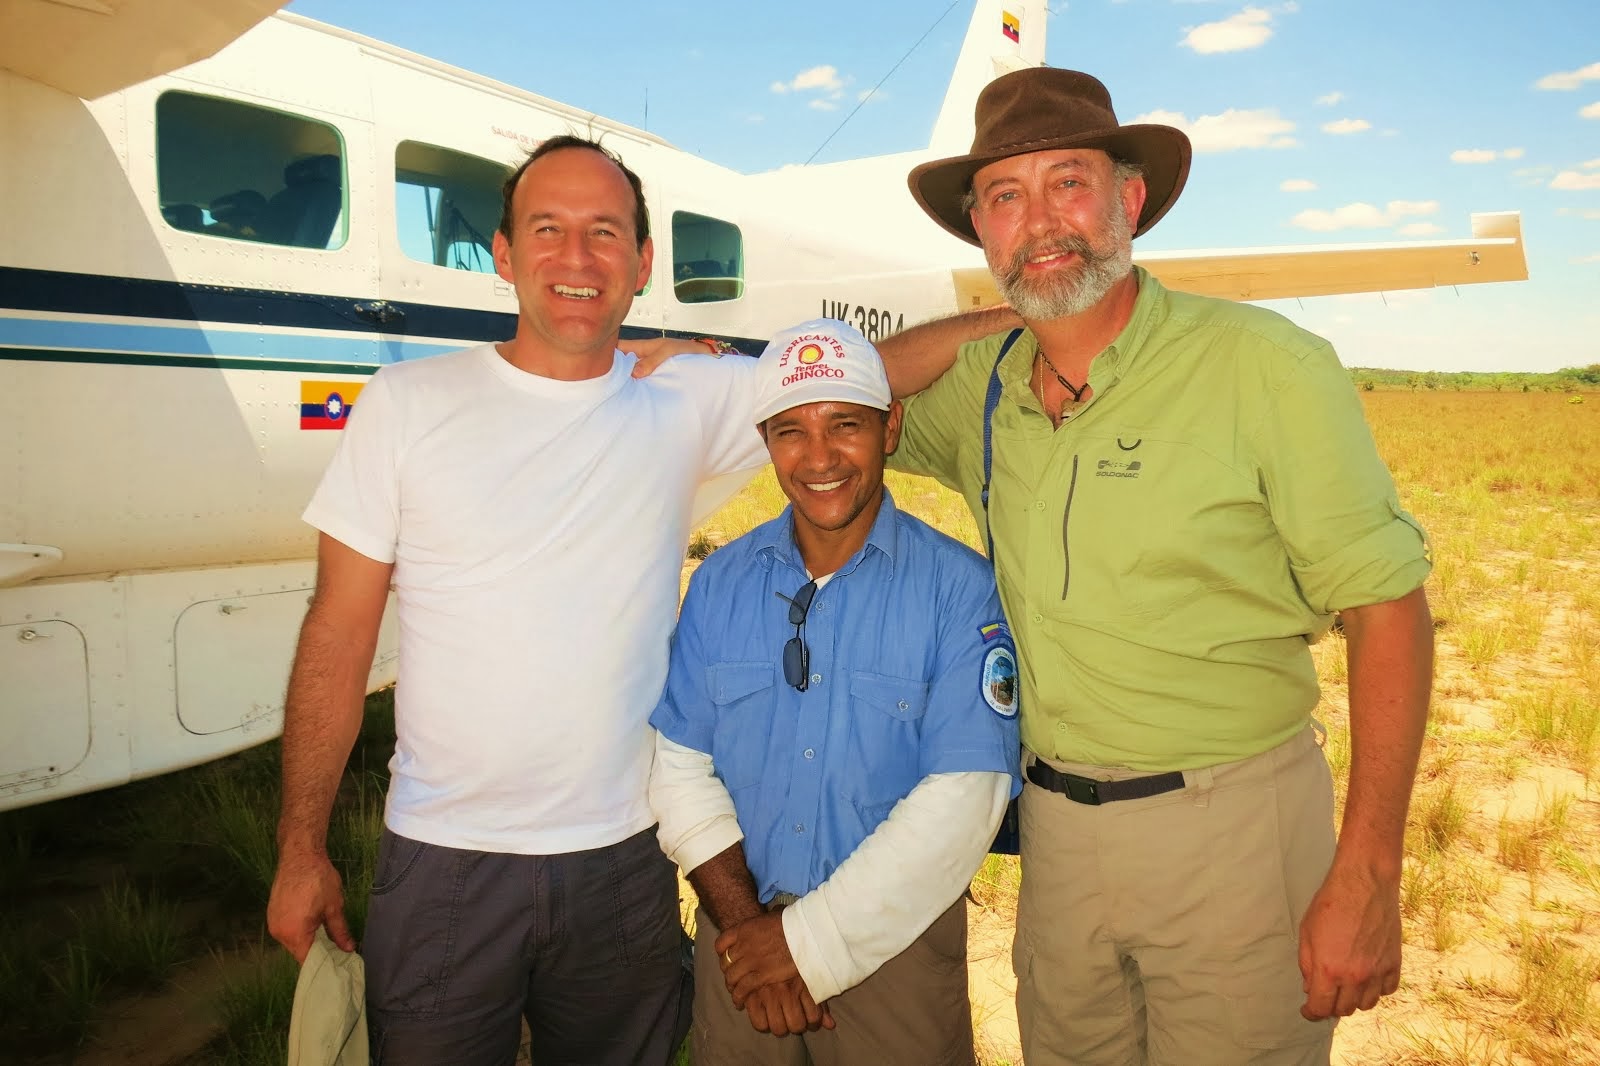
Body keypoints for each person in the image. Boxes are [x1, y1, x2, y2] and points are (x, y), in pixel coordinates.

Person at [886, 68, 1435, 1065]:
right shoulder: (984, 387)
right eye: (1005, 196)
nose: (1040, 219)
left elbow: (1387, 607)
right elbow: (842, 386)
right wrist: (1013, 319)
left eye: (1068, 182)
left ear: (1128, 198)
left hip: (1231, 826)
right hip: (1053, 834)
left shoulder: (1264, 364)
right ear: (979, 230)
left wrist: (1365, 874)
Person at [265, 134, 773, 1066]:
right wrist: (302, 847)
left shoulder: (684, 398)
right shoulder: (406, 405)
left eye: (605, 233)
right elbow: (338, 634)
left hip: (625, 857)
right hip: (444, 863)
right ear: (502, 253)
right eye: (547, 230)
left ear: (642, 262)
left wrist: (1018, 321)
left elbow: (870, 375)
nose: (576, 260)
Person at [649, 319, 1023, 1066]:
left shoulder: (960, 588)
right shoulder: (720, 584)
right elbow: (677, 764)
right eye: (790, 431)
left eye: (844, 424)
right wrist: (750, 931)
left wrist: (806, 948)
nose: (818, 457)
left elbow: (966, 796)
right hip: (741, 944)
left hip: (897, 948)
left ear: (891, 428)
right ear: (766, 441)